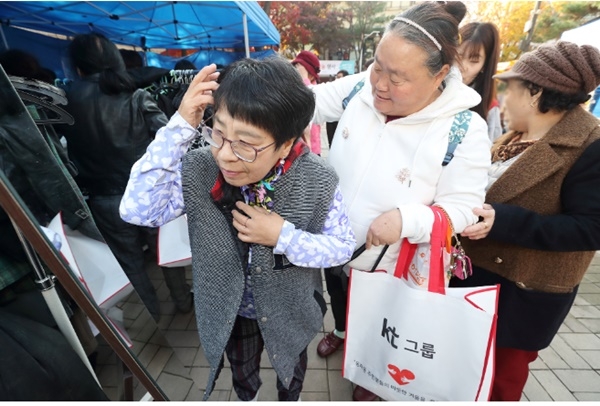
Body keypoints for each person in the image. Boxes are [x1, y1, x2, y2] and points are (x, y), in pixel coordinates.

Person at [119, 57, 356, 401]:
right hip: (231, 312)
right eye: (218, 132)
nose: (226, 155)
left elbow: (342, 247)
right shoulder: (200, 167)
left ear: (286, 144)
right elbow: (137, 209)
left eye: (246, 143)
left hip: (291, 309)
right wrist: (181, 126)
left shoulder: (318, 179)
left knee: (291, 372)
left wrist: (283, 236)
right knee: (242, 374)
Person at [303, 1, 492, 401]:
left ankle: (373, 378)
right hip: (335, 245)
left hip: (393, 265)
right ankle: (343, 335)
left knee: (384, 332)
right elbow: (307, 103)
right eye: (377, 66)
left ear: (440, 74)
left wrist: (406, 219)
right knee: (341, 302)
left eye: (398, 77)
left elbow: (462, 207)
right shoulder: (360, 88)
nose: (380, 85)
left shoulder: (464, 128)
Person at [450, 41, 600, 401]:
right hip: (475, 277)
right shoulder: (515, 136)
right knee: (463, 370)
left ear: (534, 93)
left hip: (522, 292)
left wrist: (505, 221)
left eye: (509, 87)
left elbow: (591, 227)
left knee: (500, 381)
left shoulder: (589, 144)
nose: (501, 96)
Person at [55, 33, 192, 321]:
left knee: (130, 263)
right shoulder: (135, 96)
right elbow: (169, 139)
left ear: (78, 67)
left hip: (103, 201)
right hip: (148, 193)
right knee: (164, 252)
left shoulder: (65, 103)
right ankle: (182, 302)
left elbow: (61, 157)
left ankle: (152, 315)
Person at [458, 22, 503, 142]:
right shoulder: (428, 91)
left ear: (484, 66)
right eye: (458, 56)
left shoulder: (489, 108)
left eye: (474, 60)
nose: (462, 67)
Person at [292, 50, 323, 155]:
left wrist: (304, 79)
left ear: (311, 74)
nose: (296, 71)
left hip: (312, 149)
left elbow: (311, 100)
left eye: (299, 68)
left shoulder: (315, 90)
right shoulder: (295, 87)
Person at [326, 69, 350, 147]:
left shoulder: (350, 93)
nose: (337, 79)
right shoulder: (333, 91)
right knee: (331, 144)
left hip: (342, 122)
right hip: (331, 121)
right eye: (336, 77)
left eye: (339, 77)